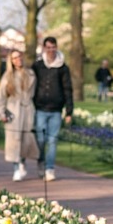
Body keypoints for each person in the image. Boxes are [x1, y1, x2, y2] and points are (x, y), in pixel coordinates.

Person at [31, 35, 74, 181]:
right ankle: (41, 162)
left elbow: (68, 89)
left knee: (52, 140)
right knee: (41, 139)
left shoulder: (63, 67)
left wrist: (69, 111)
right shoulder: (37, 66)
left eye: (53, 47)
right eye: (48, 47)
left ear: (56, 48)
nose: (51, 50)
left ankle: (50, 168)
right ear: (44, 48)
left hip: (56, 110)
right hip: (40, 108)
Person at [0, 48, 39, 181]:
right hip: (13, 109)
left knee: (26, 139)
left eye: (19, 56)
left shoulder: (30, 74)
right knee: (13, 140)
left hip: (28, 109)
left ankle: (22, 162)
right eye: (14, 58)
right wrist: (1, 112)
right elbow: (1, 96)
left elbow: (34, 92)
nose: (18, 59)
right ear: (11, 61)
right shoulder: (7, 76)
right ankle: (16, 168)